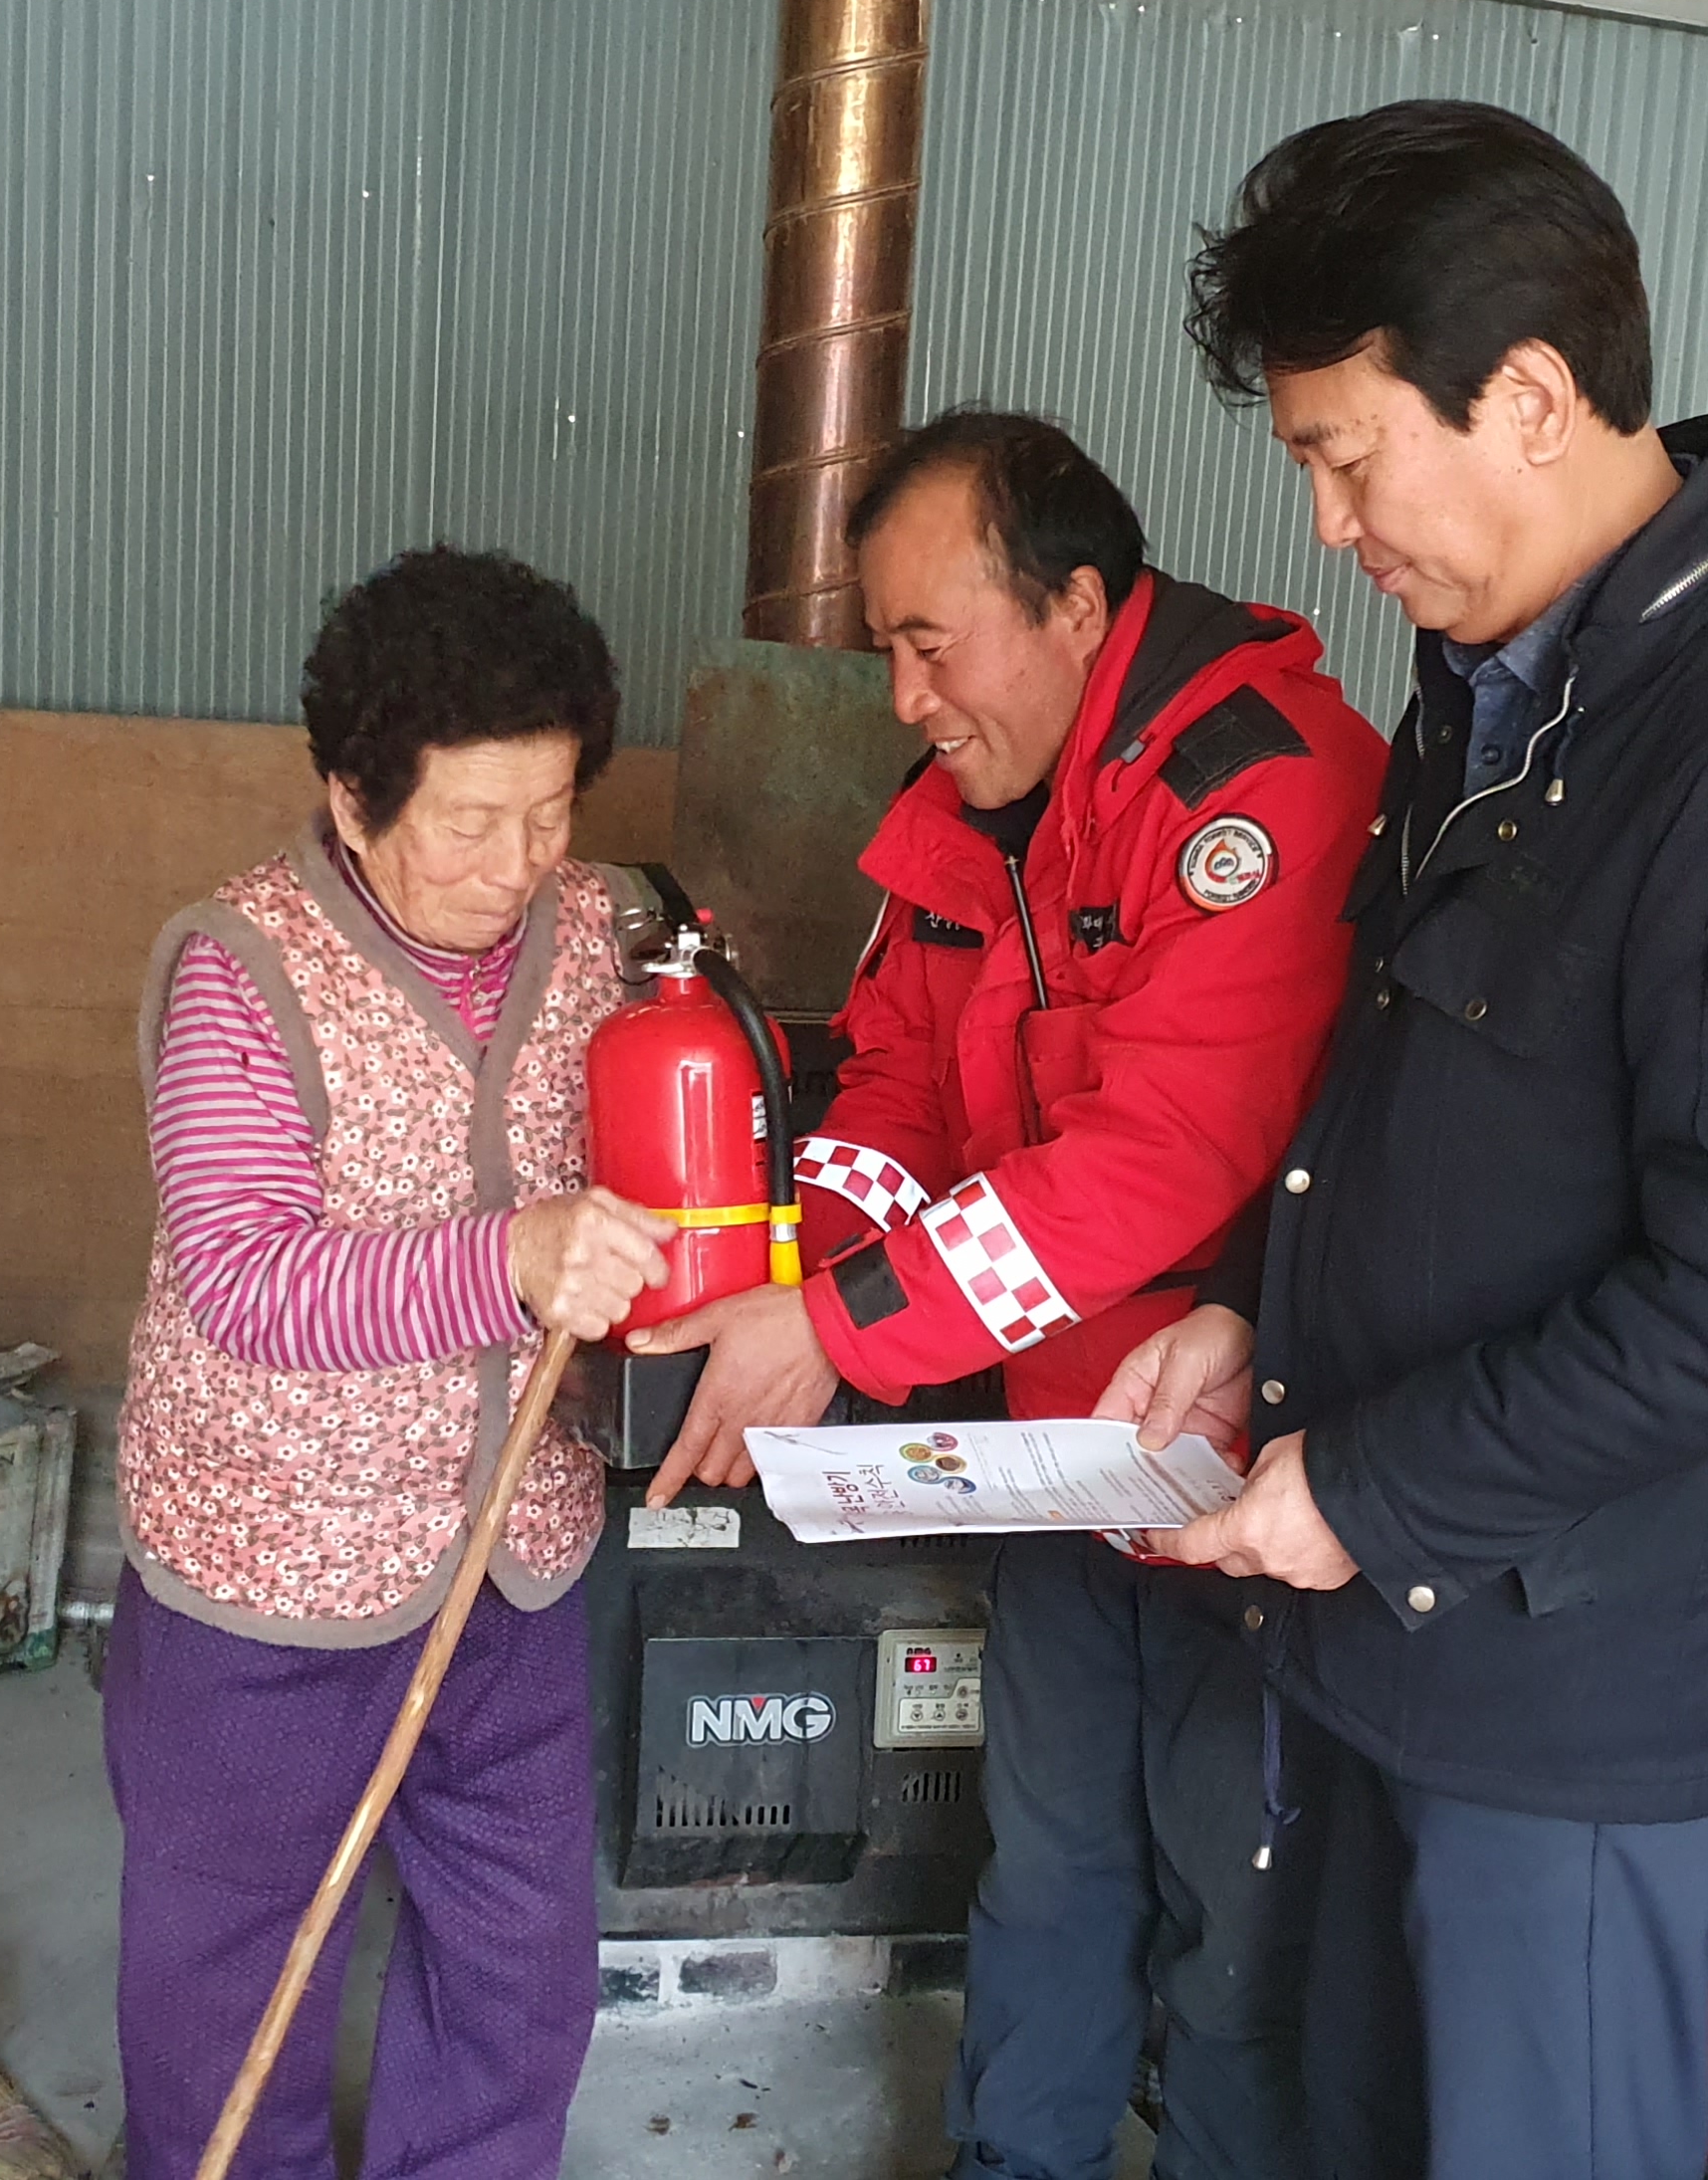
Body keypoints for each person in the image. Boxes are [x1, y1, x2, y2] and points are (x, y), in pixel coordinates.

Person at [1094, 102, 1708, 2179]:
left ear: (1528, 398)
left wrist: (1375, 1486)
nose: (1326, 524)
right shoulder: (1506, 688)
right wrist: (1247, 1315)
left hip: (1590, 1686)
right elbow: (1424, 1105)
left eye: (1345, 453)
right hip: (1410, 1629)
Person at [632, 409, 1387, 2179]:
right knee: (1046, 1868)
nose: (902, 695)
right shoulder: (962, 822)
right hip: (1056, 1453)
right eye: (882, 647)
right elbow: (891, 1090)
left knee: (1236, 1910)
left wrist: (840, 1329)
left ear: (1070, 606)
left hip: (1241, 1466)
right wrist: (809, 1273)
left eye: (923, 641)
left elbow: (1163, 1161)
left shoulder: (1259, 789)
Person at [103, 546, 676, 2180]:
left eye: (552, 812)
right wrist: (508, 1259)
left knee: (516, 1972)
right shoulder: (243, 966)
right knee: (232, 1997)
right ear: (352, 800)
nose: (522, 865)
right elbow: (245, 1280)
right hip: (266, 1581)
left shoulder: (603, 931)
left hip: (515, 1560)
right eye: (471, 823)